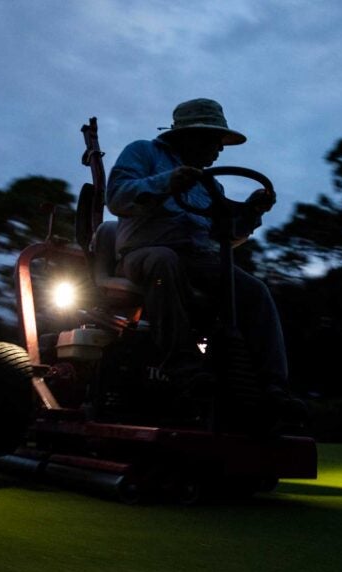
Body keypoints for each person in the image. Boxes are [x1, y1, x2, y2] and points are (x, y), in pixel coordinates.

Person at [105, 98, 302, 424]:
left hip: (198, 259)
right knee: (165, 261)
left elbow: (225, 236)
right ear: (188, 136)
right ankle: (183, 367)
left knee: (254, 291)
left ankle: (273, 388)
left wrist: (251, 212)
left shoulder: (211, 184)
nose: (219, 150)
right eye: (213, 141)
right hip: (143, 254)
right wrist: (166, 182)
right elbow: (118, 196)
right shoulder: (143, 153)